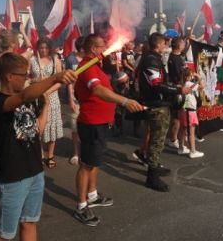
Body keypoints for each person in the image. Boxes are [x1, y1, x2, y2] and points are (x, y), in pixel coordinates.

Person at [0, 52, 76, 241]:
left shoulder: (28, 100)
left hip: (35, 171)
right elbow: (25, 95)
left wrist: (45, 106)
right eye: (24, 75)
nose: (28, 78)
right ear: (10, 77)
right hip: (12, 177)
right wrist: (55, 77)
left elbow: (37, 131)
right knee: (5, 234)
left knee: (29, 222)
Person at [73, 34, 143, 226]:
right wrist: (125, 101)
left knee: (95, 161)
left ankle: (92, 195)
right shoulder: (86, 68)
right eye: (102, 46)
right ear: (93, 49)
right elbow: (98, 91)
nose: (105, 49)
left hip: (101, 122)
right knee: (86, 164)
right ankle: (81, 206)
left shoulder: (96, 65)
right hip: (91, 123)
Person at [138, 33, 190, 192]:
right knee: (157, 140)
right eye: (164, 44)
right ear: (158, 44)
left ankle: (154, 167)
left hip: (159, 103)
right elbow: (156, 84)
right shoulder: (151, 60)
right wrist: (178, 89)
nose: (166, 46)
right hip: (156, 105)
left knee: (158, 140)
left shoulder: (153, 58)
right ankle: (152, 177)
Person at [29, 38, 63, 169]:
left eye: (46, 48)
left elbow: (61, 81)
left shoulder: (56, 60)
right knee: (38, 126)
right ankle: (40, 155)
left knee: (51, 126)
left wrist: (48, 92)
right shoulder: (32, 61)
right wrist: (36, 80)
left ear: (50, 48)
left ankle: (51, 155)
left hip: (52, 97)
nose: (43, 50)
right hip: (36, 97)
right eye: (41, 48)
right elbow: (26, 78)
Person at [65, 36, 86, 165]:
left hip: (87, 98)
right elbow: (68, 81)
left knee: (86, 126)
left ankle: (85, 151)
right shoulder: (70, 59)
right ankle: (75, 153)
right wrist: (71, 99)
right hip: (75, 98)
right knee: (74, 126)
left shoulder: (90, 59)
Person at [165, 37, 187, 149]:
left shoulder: (176, 57)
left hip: (178, 88)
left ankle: (174, 136)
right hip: (177, 89)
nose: (184, 45)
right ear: (179, 46)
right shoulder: (175, 58)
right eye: (183, 44)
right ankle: (173, 139)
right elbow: (180, 75)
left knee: (177, 114)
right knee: (177, 115)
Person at [177, 68, 204, 158]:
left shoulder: (181, 84)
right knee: (191, 132)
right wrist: (199, 78)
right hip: (189, 110)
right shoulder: (189, 83)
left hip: (182, 109)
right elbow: (202, 87)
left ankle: (181, 148)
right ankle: (193, 151)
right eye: (191, 75)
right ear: (188, 77)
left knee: (182, 129)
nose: (192, 76)